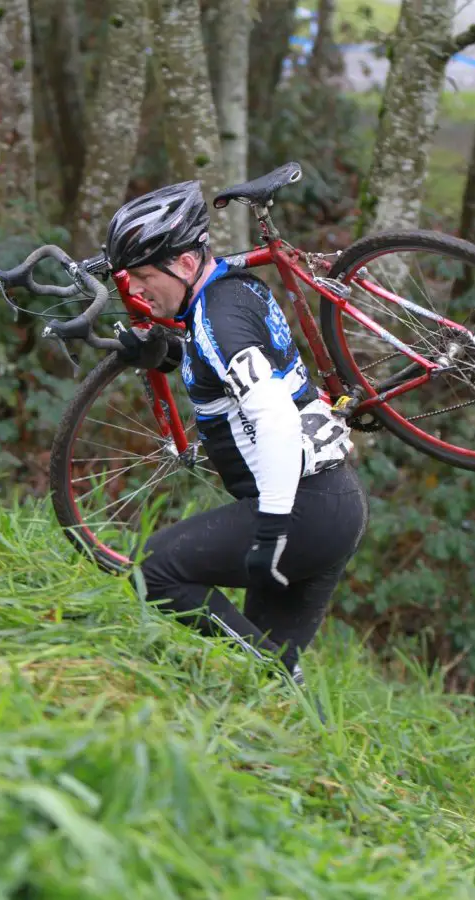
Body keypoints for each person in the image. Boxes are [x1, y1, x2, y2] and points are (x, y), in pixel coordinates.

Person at [106, 180, 369, 684]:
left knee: (150, 569)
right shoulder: (235, 292)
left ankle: (274, 674)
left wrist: (271, 529)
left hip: (302, 509)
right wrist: (166, 355)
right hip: (335, 503)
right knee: (269, 683)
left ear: (184, 264)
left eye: (142, 275)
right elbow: (231, 372)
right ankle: (299, 729)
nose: (135, 291)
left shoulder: (217, 319)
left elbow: (270, 414)